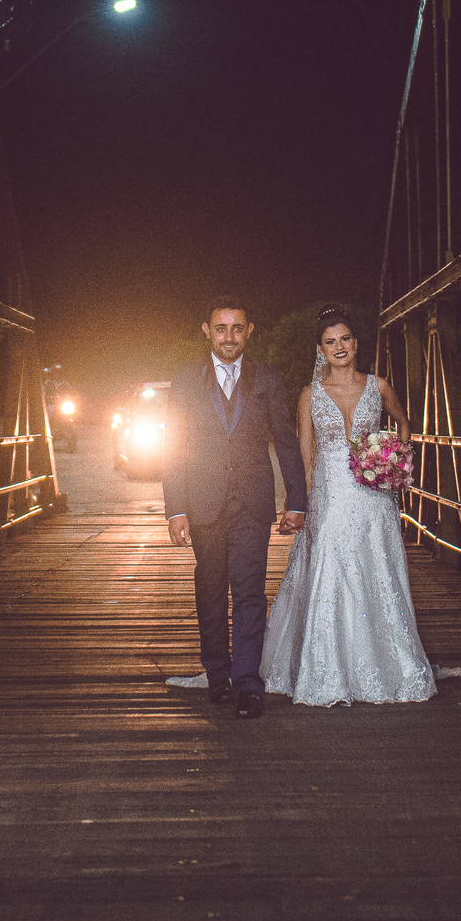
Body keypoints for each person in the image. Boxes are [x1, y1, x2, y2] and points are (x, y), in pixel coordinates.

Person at [261, 304, 437, 707]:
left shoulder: (379, 385)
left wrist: (393, 457)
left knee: (374, 567)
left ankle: (384, 661)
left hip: (372, 493)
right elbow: (306, 453)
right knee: (329, 567)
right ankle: (327, 665)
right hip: (329, 492)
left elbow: (404, 424)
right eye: (330, 342)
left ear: (356, 344)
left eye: (345, 339)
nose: (339, 347)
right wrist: (303, 502)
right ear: (320, 351)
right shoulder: (310, 394)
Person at [164, 297, 308, 719]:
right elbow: (173, 446)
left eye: (237, 328)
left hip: (252, 502)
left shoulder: (267, 378)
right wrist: (175, 509)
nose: (229, 336)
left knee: (249, 592)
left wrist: (296, 500)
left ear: (250, 331)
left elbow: (285, 441)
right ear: (206, 330)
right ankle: (217, 675)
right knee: (210, 590)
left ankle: (248, 683)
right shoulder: (187, 379)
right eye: (221, 328)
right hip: (203, 500)